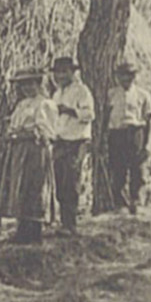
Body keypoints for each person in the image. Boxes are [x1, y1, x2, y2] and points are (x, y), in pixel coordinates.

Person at [2, 68, 57, 243]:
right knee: (20, 187)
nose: (27, 88)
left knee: (34, 187)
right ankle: (22, 229)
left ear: (38, 83)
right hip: (19, 150)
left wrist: (24, 134)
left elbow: (45, 131)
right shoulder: (21, 105)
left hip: (35, 150)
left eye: (30, 83)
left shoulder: (45, 104)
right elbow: (13, 126)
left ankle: (34, 232)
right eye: (23, 85)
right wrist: (12, 134)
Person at [50, 56, 95, 232]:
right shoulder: (57, 94)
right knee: (60, 182)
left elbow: (89, 115)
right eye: (57, 73)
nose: (60, 76)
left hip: (76, 142)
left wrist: (69, 111)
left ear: (72, 72)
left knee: (72, 181)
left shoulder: (82, 91)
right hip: (60, 142)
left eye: (64, 72)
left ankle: (71, 224)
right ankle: (64, 222)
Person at [107, 61, 151, 215]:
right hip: (116, 134)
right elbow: (105, 118)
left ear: (134, 76)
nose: (125, 79)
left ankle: (137, 201)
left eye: (129, 75)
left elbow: (149, 121)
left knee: (137, 170)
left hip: (135, 134)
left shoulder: (143, 95)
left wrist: (148, 144)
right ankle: (121, 204)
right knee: (118, 170)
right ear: (117, 77)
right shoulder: (111, 94)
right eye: (122, 75)